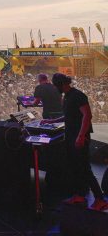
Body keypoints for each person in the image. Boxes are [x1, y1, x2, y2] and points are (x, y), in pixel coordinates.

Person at [41, 73, 108, 211]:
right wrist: (51, 121)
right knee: (75, 167)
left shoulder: (78, 95)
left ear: (63, 83)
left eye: (56, 85)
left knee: (84, 168)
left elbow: (87, 115)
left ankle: (100, 199)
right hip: (71, 136)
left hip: (79, 137)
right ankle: (79, 195)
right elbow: (68, 116)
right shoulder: (67, 97)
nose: (55, 88)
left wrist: (81, 136)